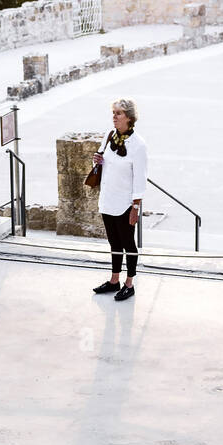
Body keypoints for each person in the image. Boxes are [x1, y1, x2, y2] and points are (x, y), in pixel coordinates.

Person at [93, 98, 148, 303]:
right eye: (113, 112)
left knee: (128, 244)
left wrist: (136, 207)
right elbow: (101, 158)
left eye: (119, 113)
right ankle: (114, 280)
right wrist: (97, 159)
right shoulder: (109, 135)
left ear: (129, 118)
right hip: (107, 199)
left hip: (125, 203)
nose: (114, 116)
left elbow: (140, 178)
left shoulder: (139, 145)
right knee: (113, 242)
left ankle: (129, 283)